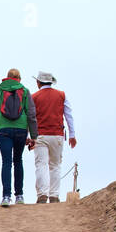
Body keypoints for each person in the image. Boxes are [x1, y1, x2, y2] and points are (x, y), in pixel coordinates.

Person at [0, 69, 38, 207]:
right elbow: (31, 114)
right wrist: (33, 136)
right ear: (19, 79)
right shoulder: (25, 91)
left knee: (6, 162)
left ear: (7, 78)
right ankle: (19, 195)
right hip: (21, 130)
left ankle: (6, 197)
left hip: (3, 130)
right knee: (18, 161)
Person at [31, 71, 77, 203]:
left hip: (40, 135)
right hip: (57, 135)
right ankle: (54, 195)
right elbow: (68, 115)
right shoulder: (61, 95)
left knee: (41, 164)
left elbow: (31, 117)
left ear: (38, 82)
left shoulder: (34, 97)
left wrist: (29, 136)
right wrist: (72, 135)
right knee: (55, 165)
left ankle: (42, 194)